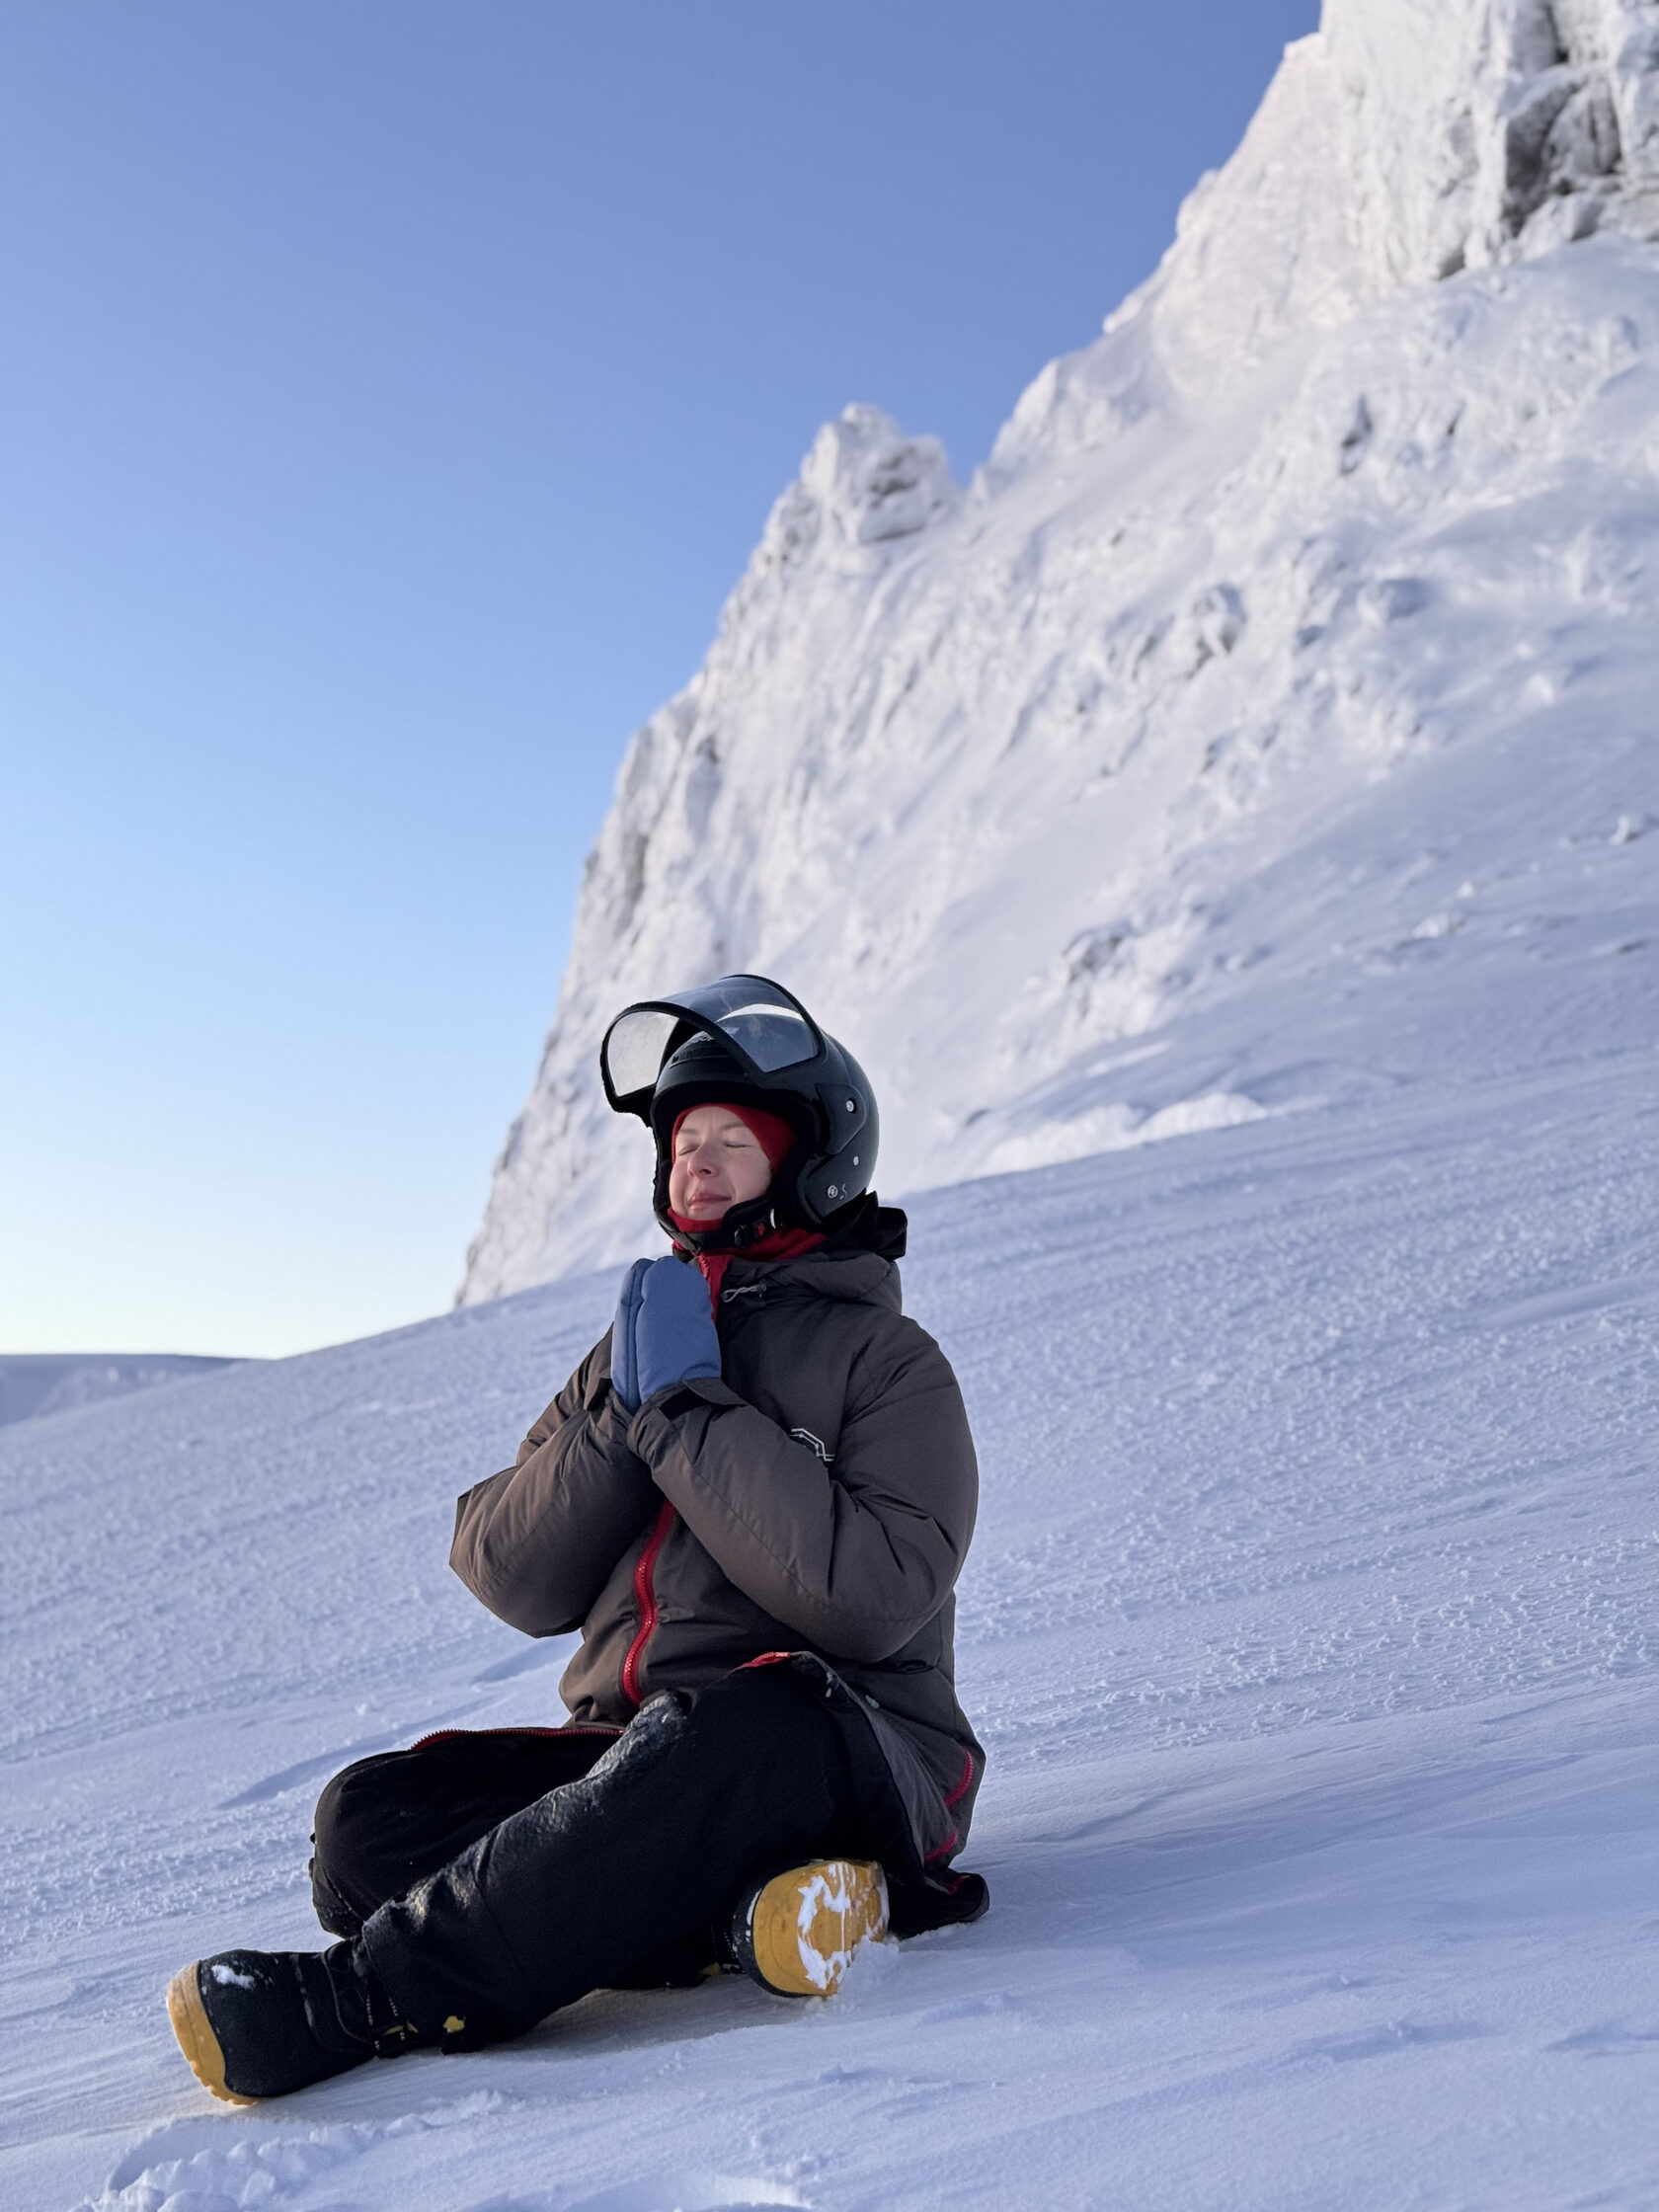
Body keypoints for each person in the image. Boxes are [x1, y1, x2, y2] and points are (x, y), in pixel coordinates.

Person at [167, 975, 987, 2104]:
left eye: (730, 1139)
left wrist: (694, 1415)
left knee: (750, 1723)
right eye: (682, 1139)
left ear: (812, 1161)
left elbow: (870, 1596)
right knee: (365, 1824)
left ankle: (370, 1995)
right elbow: (506, 1569)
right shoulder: (634, 1353)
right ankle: (740, 1913)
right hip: (636, 1756)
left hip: (840, 1744)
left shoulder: (888, 1364)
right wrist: (621, 1414)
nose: (695, 1160)